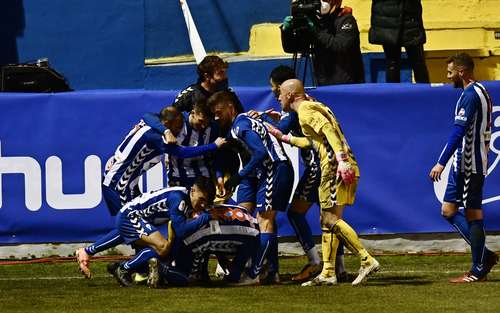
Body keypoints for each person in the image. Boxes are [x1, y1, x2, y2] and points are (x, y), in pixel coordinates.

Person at [269, 78, 379, 286]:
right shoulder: (316, 106)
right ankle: (329, 272)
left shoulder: (305, 110)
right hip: (340, 166)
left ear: (290, 95)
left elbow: (328, 130)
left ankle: (366, 259)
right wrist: (282, 137)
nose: (278, 97)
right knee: (326, 220)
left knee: (330, 220)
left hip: (334, 168)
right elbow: (313, 142)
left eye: (280, 94)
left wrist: (341, 160)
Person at [208, 91, 294, 285]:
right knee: (250, 219)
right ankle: (267, 270)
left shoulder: (240, 125)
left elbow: (261, 153)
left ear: (230, 107)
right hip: (263, 172)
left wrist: (238, 176)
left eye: (218, 112)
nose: (216, 117)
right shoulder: (242, 122)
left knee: (264, 220)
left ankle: (253, 273)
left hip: (272, 169)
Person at [429, 53, 498, 283]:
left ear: (461, 72)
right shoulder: (480, 91)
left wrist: (441, 161)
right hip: (465, 162)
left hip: (470, 163)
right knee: (448, 210)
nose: (448, 76)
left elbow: (458, 131)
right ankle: (485, 255)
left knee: (472, 213)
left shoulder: (470, 95)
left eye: (450, 72)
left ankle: (478, 268)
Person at [75, 176, 216, 285]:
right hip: (131, 215)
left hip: (135, 215)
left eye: (206, 202)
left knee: (137, 237)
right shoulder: (178, 199)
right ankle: (124, 268)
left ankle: (87, 252)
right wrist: (207, 217)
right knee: (162, 247)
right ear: (192, 191)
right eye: (201, 199)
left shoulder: (186, 197)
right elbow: (181, 230)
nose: (203, 205)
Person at [101, 106, 225, 216]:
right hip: (118, 184)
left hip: (127, 182)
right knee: (128, 224)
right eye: (176, 128)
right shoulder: (156, 137)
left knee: (137, 222)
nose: (177, 133)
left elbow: (147, 115)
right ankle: (96, 244)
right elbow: (182, 152)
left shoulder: (152, 125)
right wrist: (213, 145)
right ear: (166, 124)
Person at [147, 203, 260, 288]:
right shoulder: (252, 234)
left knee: (199, 253)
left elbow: (217, 237)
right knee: (188, 278)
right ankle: (162, 269)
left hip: (191, 230)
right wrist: (235, 274)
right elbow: (234, 276)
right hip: (195, 238)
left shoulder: (242, 212)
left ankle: (159, 267)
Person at [281, 0, 364, 85]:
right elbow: (293, 48)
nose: (321, 2)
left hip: (348, 84)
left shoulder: (346, 19)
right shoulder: (316, 22)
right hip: (323, 83)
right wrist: (286, 31)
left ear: (336, 3)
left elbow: (340, 45)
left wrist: (316, 30)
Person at [142, 100, 222, 189]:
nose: (203, 126)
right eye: (201, 121)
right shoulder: (178, 120)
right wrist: (166, 131)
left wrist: (219, 176)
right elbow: (148, 116)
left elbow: (214, 156)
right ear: (193, 113)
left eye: (207, 123)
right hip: (177, 178)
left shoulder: (213, 128)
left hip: (202, 179)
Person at [369, 0, 429, 83]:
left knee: (395, 63)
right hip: (404, 19)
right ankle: (424, 93)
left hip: (397, 20)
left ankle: (393, 94)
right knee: (416, 62)